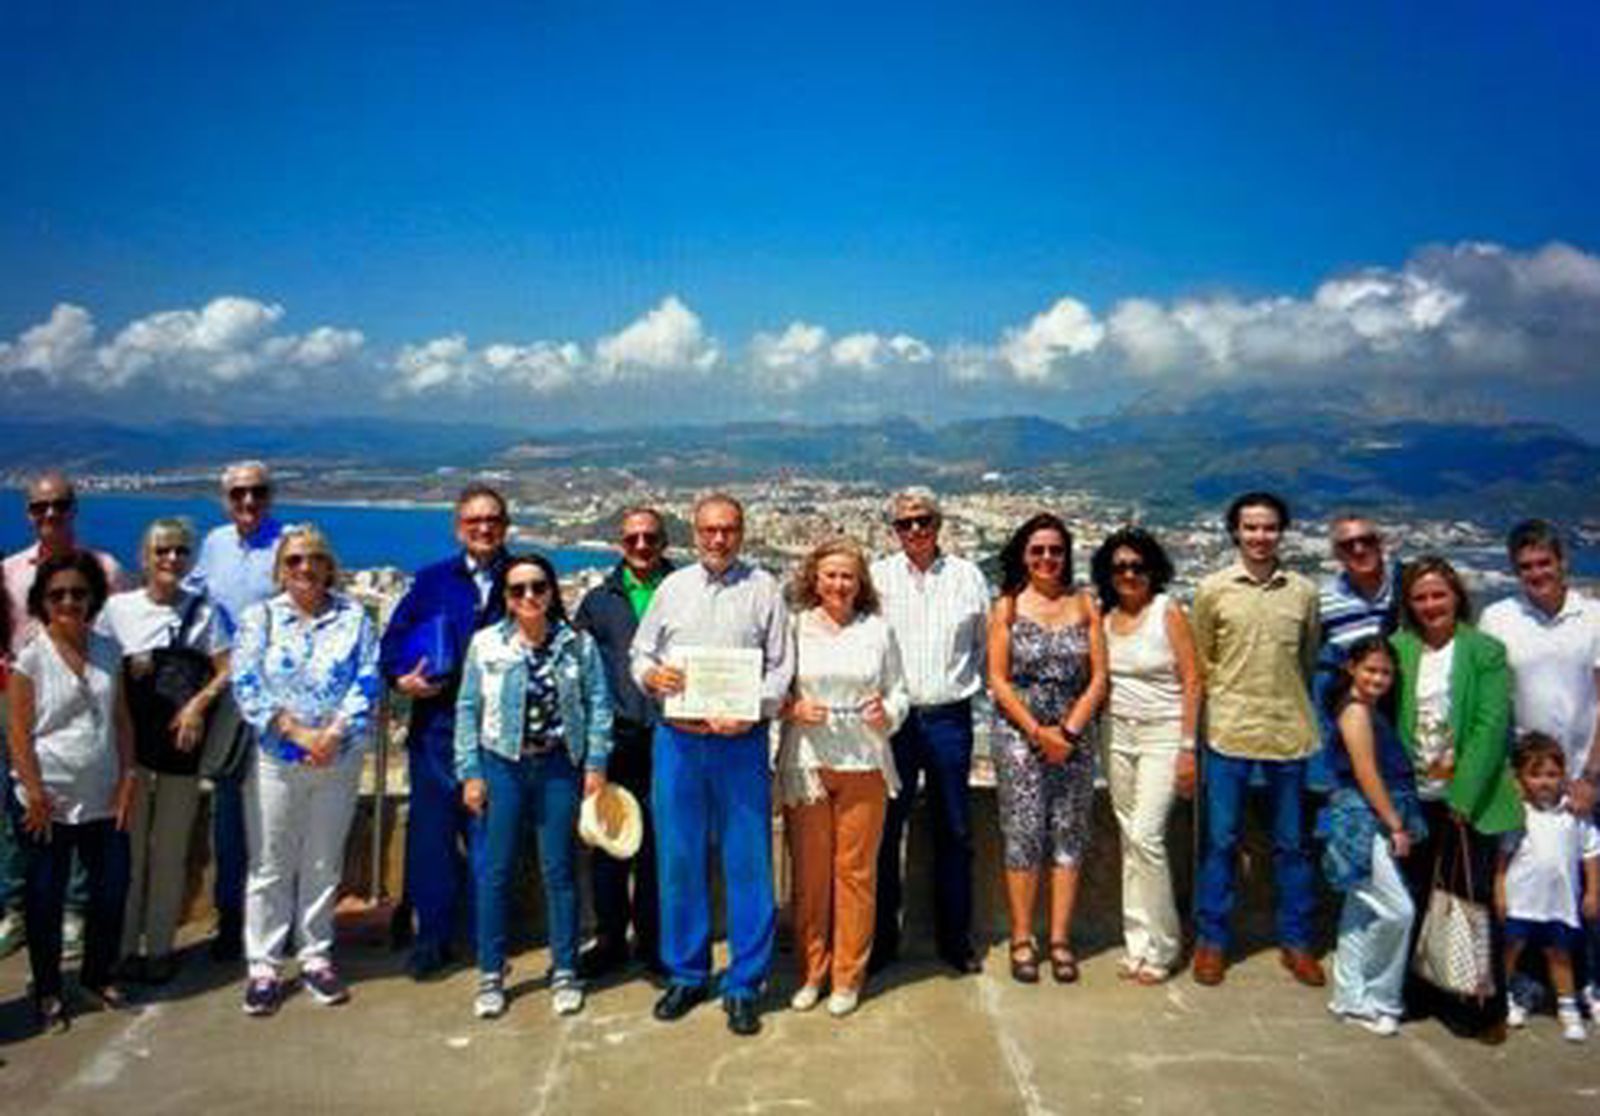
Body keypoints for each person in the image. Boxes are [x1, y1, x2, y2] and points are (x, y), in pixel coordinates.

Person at [630, 493, 793, 1037]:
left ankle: (746, 983)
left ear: (741, 532)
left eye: (728, 530)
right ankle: (687, 973)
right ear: (694, 533)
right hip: (677, 742)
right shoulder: (672, 589)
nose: (718, 539)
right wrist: (653, 678)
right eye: (708, 530)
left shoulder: (765, 589)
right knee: (678, 860)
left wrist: (754, 713)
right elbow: (641, 654)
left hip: (740, 745)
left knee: (748, 863)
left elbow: (780, 669)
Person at [230, 524, 380, 1017]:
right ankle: (264, 965)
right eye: (293, 560)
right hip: (278, 757)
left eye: (313, 558)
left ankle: (315, 955)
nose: (304, 568)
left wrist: (331, 735)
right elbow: (246, 681)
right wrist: (296, 733)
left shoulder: (353, 616)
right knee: (270, 862)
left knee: (322, 860)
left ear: (328, 565)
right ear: (280, 569)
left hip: (336, 755)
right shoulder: (261, 619)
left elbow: (367, 677)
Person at [455, 553, 611, 1018]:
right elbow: (466, 709)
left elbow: (598, 704)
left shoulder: (577, 645)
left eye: (538, 587)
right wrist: (470, 773)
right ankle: (490, 969)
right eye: (517, 589)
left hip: (559, 766)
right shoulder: (486, 645)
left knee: (559, 870)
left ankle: (565, 967)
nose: (528, 597)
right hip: (501, 764)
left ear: (552, 592)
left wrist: (596, 765)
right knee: (495, 871)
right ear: (504, 597)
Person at [1191, 491, 1323, 987]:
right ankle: (1212, 941)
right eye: (1250, 528)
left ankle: (1296, 940)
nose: (1260, 536)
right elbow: (1203, 659)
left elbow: (1307, 659)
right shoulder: (1213, 589)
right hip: (1229, 731)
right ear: (1235, 533)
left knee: (1292, 844)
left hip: (1289, 732)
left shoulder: (1304, 593)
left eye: (1269, 528)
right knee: (1221, 842)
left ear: (1281, 533)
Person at [379, 483, 511, 979]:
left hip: (496, 733)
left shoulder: (522, 580)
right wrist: (401, 679)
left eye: (492, 520)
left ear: (505, 527)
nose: (484, 528)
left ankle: (486, 941)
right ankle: (431, 937)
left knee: (489, 838)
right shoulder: (432, 581)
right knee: (432, 838)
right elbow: (392, 645)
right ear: (459, 528)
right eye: (474, 520)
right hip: (436, 728)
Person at [1391, 555, 1522, 1042]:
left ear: (1457, 597)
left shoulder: (1484, 651)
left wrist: (1462, 798)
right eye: (1420, 597)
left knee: (1469, 902)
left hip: (1468, 799)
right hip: (1416, 795)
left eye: (1438, 595)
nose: (1430, 605)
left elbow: (1491, 729)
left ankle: (1479, 1007)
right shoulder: (1399, 648)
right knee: (1420, 897)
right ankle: (1422, 992)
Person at [778, 537, 908, 1017]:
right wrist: (793, 706)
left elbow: (900, 691)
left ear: (861, 583)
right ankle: (812, 971)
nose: (838, 583)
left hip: (864, 763)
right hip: (807, 763)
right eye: (830, 574)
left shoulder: (878, 630)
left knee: (855, 876)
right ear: (814, 577)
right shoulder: (793, 629)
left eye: (847, 576)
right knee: (810, 878)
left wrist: (887, 713)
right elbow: (776, 692)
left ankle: (847, 976)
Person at [5, 550, 135, 1032]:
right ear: (42, 601)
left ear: (93, 598)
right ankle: (47, 989)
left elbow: (122, 720)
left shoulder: (107, 650)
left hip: (103, 796)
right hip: (48, 802)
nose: (68, 601)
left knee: (111, 890)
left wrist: (128, 779)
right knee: (44, 899)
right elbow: (18, 732)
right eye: (57, 594)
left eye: (78, 593)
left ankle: (97, 975)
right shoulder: (31, 658)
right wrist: (34, 792)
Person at [2, 470, 128, 963]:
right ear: (28, 513)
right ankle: (16, 909)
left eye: (58, 505)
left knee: (85, 810)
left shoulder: (106, 569)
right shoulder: (9, 572)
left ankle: (74, 913)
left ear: (74, 508)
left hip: (90, 701)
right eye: (39, 507)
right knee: (22, 812)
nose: (49, 514)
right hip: (22, 698)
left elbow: (121, 630)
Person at [97, 519, 229, 984]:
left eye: (179, 551)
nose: (171, 559)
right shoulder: (116, 610)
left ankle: (158, 948)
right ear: (144, 557)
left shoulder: (202, 612)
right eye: (162, 551)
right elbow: (97, 670)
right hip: (129, 751)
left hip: (179, 749)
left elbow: (224, 669)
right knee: (128, 855)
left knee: (169, 853)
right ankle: (122, 946)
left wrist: (197, 704)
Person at [869, 487, 990, 976]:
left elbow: (984, 645)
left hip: (948, 718)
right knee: (883, 833)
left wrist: (960, 689)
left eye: (923, 521)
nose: (915, 530)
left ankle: (954, 939)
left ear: (938, 524)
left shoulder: (968, 577)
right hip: (894, 721)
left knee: (955, 830)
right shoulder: (877, 578)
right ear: (893, 530)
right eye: (905, 523)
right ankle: (880, 941)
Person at [987, 513, 1106, 984]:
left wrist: (1070, 732)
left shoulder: (1086, 603)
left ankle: (1059, 938)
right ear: (1024, 554)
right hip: (1020, 733)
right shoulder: (1008, 607)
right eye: (1038, 550)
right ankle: (1022, 937)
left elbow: (1099, 675)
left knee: (1068, 833)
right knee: (1023, 834)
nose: (1047, 558)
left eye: (1055, 550)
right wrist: (1039, 732)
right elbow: (997, 678)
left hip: (1075, 733)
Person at [1090, 527, 1200, 985]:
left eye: (1137, 566)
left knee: (1148, 836)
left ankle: (1165, 945)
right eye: (1119, 568)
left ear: (1152, 569)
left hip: (1163, 734)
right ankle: (1137, 941)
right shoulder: (1105, 618)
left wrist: (1188, 748)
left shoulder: (1166, 611)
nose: (1129, 574)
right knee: (1128, 835)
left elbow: (1194, 680)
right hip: (1117, 732)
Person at [185, 460, 284, 961]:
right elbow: (195, 605)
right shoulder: (215, 545)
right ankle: (231, 921)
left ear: (270, 496)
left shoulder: (288, 543)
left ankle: (275, 924)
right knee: (229, 816)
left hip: (278, 698)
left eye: (258, 493)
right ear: (226, 499)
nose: (249, 502)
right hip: (228, 699)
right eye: (239, 494)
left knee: (276, 815)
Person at [573, 507, 673, 978]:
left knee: (658, 843)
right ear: (620, 542)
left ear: (664, 542)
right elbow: (580, 670)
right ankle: (611, 937)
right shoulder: (597, 601)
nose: (640, 546)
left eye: (649, 538)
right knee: (610, 840)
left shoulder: (683, 590)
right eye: (632, 538)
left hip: (672, 733)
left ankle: (654, 941)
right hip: (616, 735)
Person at [1320, 636, 1426, 1038]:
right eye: (1371, 670)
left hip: (1359, 819)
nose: (1379, 678)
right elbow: (1366, 774)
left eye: (1385, 671)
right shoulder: (1356, 713)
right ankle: (1382, 997)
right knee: (1399, 911)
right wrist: (1396, 825)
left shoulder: (1364, 708)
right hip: (1364, 823)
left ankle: (1348, 996)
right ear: (1351, 668)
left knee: (1359, 910)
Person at [1496, 732, 1599, 1042]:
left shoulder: (1574, 814)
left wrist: (1593, 890)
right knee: (1511, 950)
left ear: (1563, 776)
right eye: (1535, 774)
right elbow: (1502, 858)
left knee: (1560, 955)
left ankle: (1567, 1009)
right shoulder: (1518, 814)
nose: (1544, 782)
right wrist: (1499, 891)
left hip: (1560, 904)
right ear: (1521, 777)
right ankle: (1506, 997)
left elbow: (1591, 852)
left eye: (1552, 774)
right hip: (1521, 902)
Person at [1312, 514, 1401, 792]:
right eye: (1348, 544)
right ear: (1336, 552)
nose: (1359, 549)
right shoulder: (1324, 601)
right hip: (1353, 722)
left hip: (1402, 713)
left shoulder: (1406, 589)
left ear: (1381, 543)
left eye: (1367, 540)